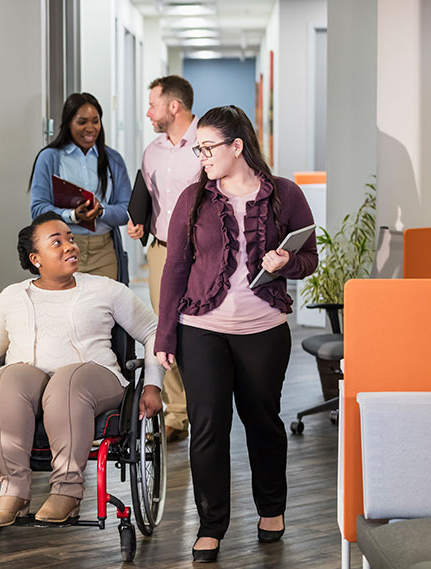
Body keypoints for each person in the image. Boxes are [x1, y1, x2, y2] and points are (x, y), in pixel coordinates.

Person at [153, 106, 318, 563]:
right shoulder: (194, 199)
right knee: (208, 427)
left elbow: (310, 259)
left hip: (263, 329)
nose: (201, 156)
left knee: (263, 422)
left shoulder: (285, 195)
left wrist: (288, 263)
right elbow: (176, 268)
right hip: (201, 329)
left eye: (208, 148)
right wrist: (165, 334)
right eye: (198, 148)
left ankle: (271, 509)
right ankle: (211, 525)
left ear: (237, 146)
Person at [0, 211, 163, 528]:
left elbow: (154, 331)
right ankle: (13, 489)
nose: (70, 246)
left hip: (95, 380)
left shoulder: (106, 289)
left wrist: (152, 385)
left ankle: (67, 490)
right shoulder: (12, 298)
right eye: (57, 242)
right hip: (30, 388)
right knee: (6, 377)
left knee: (67, 380)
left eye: (70, 239)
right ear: (35, 258)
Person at [127, 75, 201, 442]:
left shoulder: (207, 141)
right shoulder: (152, 151)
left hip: (202, 251)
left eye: (153, 104)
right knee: (164, 327)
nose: (148, 112)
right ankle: (178, 413)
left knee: (202, 327)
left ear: (174, 106)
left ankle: (206, 407)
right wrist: (138, 222)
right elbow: (148, 195)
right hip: (161, 250)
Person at [30, 93, 132, 283]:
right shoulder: (49, 157)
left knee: (104, 310)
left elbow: (127, 210)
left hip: (103, 251)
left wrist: (102, 211)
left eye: (95, 121)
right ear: (68, 123)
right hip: (62, 250)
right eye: (82, 122)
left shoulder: (113, 159)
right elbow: (38, 209)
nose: (90, 128)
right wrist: (72, 216)